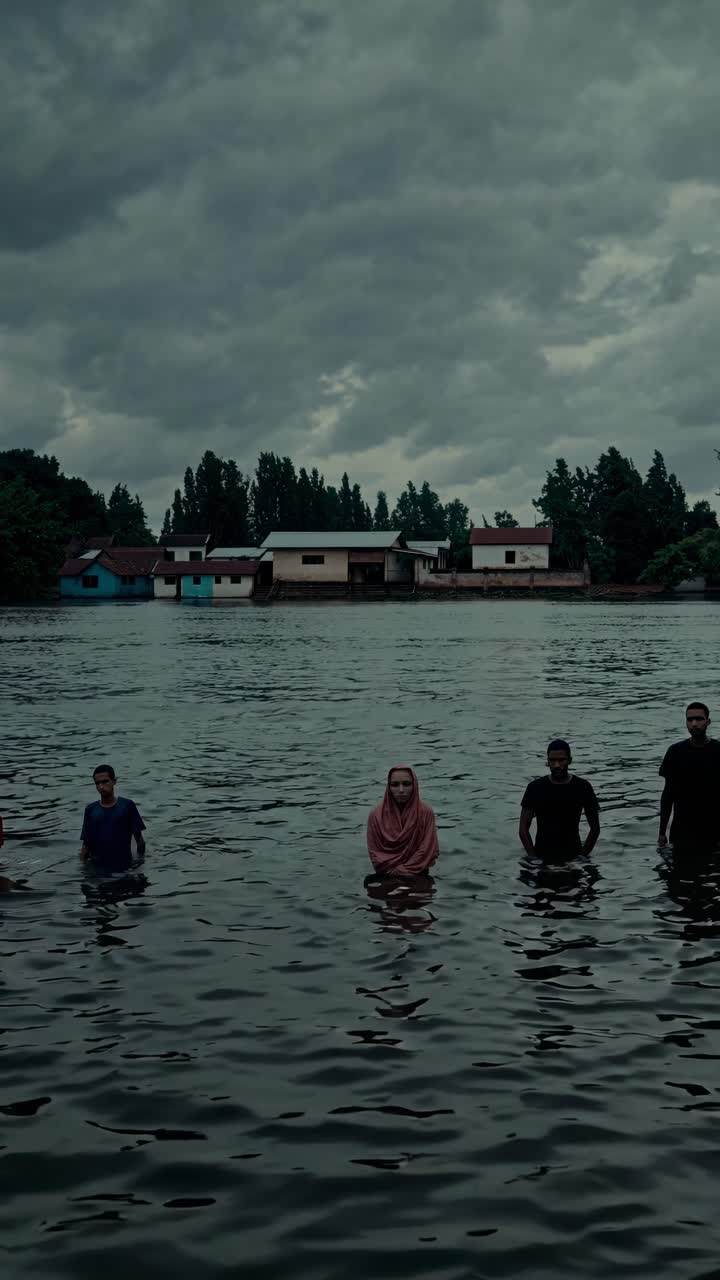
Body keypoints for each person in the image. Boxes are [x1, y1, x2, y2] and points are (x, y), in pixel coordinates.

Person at [519, 739, 600, 859]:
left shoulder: (582, 787)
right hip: (542, 855)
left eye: (561, 760)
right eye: (552, 760)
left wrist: (582, 857)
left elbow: (595, 828)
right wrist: (533, 858)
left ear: (569, 760)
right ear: (547, 761)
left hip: (573, 855)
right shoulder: (535, 788)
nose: (557, 765)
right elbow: (523, 829)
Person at [658, 702, 720, 855]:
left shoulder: (718, 751)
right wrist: (661, 832)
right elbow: (668, 795)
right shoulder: (675, 752)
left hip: (714, 828)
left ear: (708, 722)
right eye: (690, 720)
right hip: (682, 828)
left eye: (699, 719)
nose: (694, 724)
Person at [366, 766, 439, 879]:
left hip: (418, 875)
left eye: (406, 784)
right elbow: (375, 853)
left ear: (414, 785)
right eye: (395, 785)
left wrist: (403, 870)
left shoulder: (426, 813)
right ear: (388, 787)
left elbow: (426, 850)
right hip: (385, 875)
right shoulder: (376, 816)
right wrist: (394, 871)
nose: (401, 790)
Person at [80, 764, 146, 873]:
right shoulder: (91, 810)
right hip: (97, 867)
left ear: (114, 781)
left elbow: (140, 842)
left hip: (124, 866)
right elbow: (86, 845)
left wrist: (138, 866)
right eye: (97, 783)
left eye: (105, 781)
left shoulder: (127, 806)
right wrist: (82, 869)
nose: (101, 787)